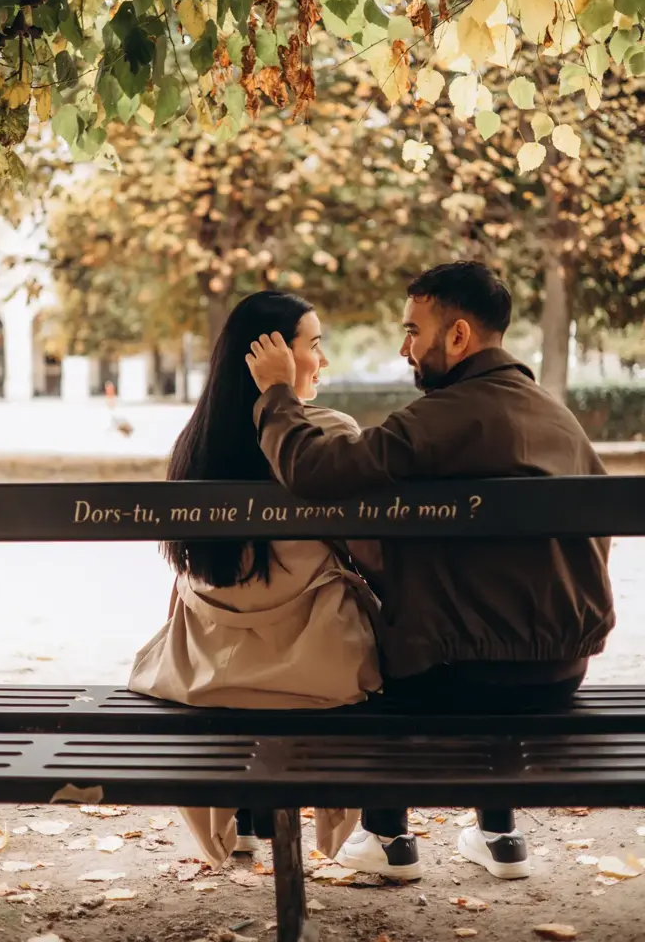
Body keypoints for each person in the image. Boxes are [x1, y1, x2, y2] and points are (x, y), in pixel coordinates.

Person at [245, 261, 614, 882]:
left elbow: (315, 471)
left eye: (413, 331)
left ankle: (387, 835)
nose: (404, 348)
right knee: (475, 605)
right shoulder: (558, 419)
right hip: (559, 672)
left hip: (454, 681)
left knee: (368, 651)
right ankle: (499, 833)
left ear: (459, 335)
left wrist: (277, 395)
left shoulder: (445, 417)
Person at [129, 290, 382, 869]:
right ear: (272, 356)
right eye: (314, 345)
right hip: (315, 668)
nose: (323, 360)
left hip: (208, 671)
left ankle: (243, 818)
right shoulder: (326, 434)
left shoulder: (196, 447)